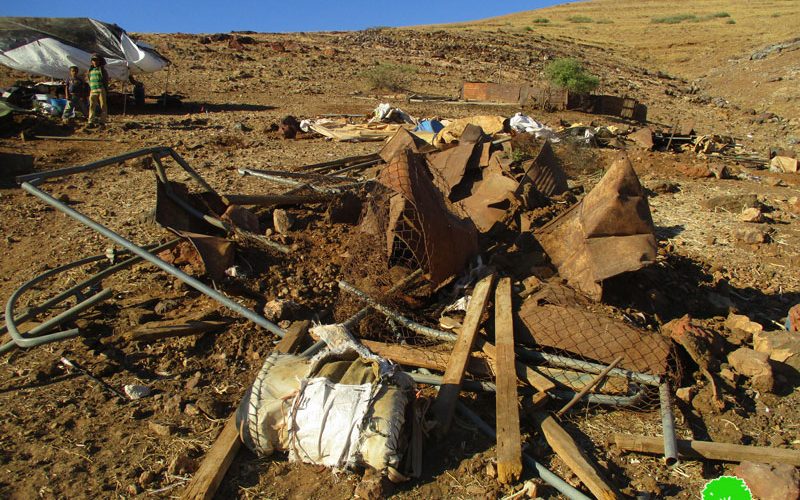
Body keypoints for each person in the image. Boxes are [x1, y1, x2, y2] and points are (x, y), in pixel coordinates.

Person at [86, 53, 109, 125]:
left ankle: (102, 120)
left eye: (96, 60)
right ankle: (91, 120)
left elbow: (105, 80)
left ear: (99, 61)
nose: (95, 62)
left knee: (103, 105)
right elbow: (89, 79)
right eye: (93, 60)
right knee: (92, 105)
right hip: (93, 89)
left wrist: (105, 89)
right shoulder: (90, 70)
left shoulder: (102, 70)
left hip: (100, 89)